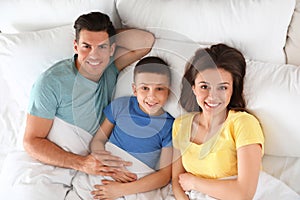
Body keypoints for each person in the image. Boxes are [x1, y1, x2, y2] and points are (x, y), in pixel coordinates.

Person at [0, 12, 154, 199]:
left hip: (84, 170)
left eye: (101, 47)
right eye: (86, 46)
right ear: (75, 46)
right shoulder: (52, 82)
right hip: (43, 166)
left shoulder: (110, 68)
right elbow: (31, 142)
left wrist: (106, 39)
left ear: (112, 49)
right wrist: (81, 163)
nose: (93, 55)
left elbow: (145, 40)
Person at [172, 44, 264, 200]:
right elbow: (177, 180)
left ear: (232, 90)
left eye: (222, 88)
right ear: (193, 88)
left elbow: (244, 193)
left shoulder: (243, 123)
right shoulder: (181, 125)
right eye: (204, 86)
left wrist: (194, 182)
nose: (212, 96)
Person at [84, 56, 174, 200]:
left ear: (168, 91)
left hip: (135, 182)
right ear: (135, 89)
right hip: (108, 168)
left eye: (159, 89)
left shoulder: (169, 125)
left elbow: (164, 175)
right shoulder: (121, 106)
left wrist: (122, 190)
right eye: (145, 88)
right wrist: (111, 168)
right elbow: (97, 141)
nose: (152, 96)